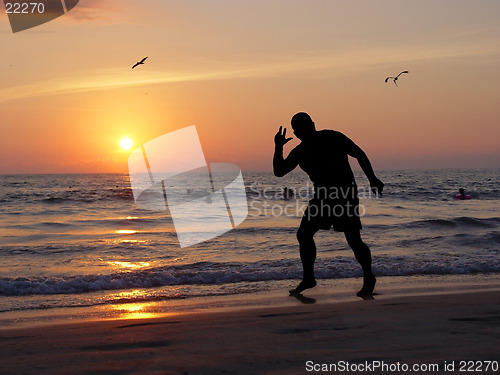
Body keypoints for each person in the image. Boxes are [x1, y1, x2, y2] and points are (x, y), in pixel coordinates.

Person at [273, 112, 384, 297]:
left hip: (344, 194)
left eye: (304, 127)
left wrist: (372, 178)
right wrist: (278, 147)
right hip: (322, 197)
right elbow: (279, 172)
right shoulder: (300, 151)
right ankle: (309, 278)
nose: (302, 132)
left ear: (312, 125)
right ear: (297, 132)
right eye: (298, 129)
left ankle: (368, 277)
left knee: (353, 239)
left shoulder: (333, 136)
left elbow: (359, 153)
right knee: (304, 234)